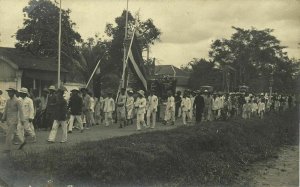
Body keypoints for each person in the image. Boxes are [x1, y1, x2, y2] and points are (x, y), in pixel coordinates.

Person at [1, 88, 25, 153]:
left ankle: (7, 148)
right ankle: (22, 141)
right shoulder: (8, 100)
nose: (9, 94)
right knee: (15, 132)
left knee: (8, 133)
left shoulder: (17, 101)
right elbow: (6, 110)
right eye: (8, 92)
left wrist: (22, 120)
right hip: (8, 119)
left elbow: (21, 111)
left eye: (10, 92)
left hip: (14, 120)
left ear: (14, 93)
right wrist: (3, 118)